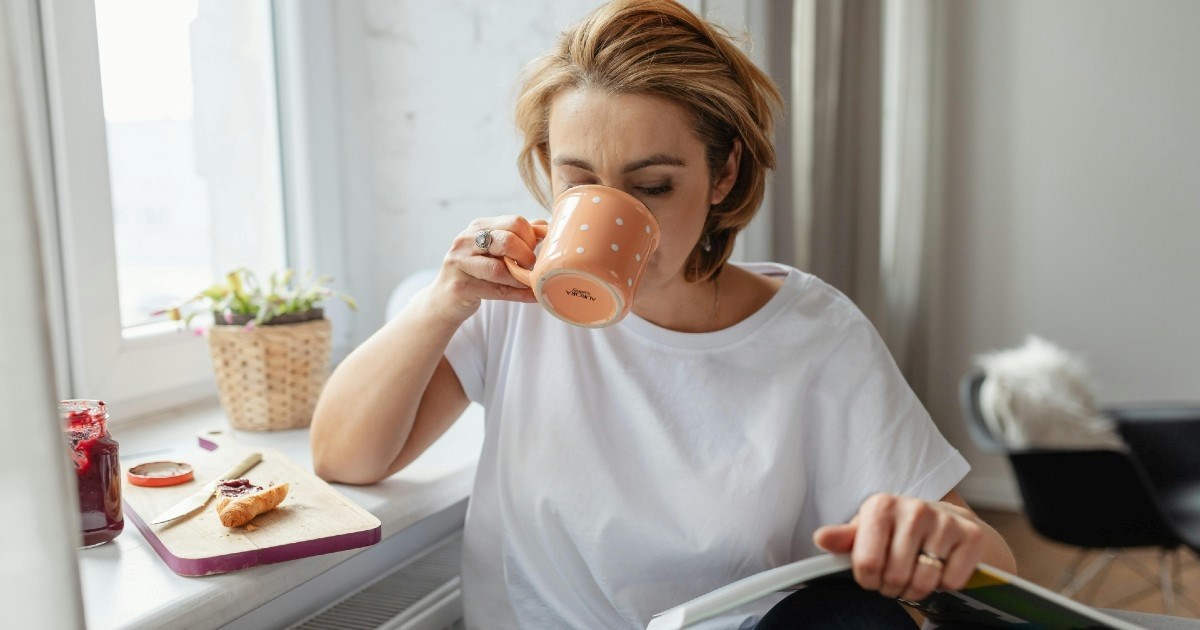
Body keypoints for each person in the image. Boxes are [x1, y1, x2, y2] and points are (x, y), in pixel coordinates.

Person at [310, 0, 1016, 627]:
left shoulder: (813, 334)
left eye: (652, 185)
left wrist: (939, 536)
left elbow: (996, 570)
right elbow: (345, 456)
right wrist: (443, 303)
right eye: (578, 181)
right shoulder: (513, 306)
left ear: (725, 174)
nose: (615, 213)